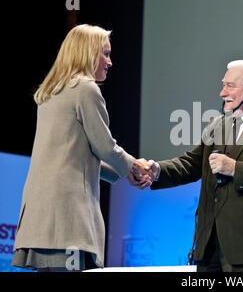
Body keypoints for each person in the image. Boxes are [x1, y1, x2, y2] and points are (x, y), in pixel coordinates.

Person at [130, 60, 243, 272]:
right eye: (223, 85)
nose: (222, 93)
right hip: (209, 245)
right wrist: (156, 170)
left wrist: (234, 168)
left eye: (230, 86)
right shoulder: (217, 125)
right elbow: (191, 164)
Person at [11, 24, 151, 272]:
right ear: (86, 53)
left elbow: (75, 155)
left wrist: (123, 172)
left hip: (42, 217)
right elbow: (105, 147)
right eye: (105, 54)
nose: (110, 62)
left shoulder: (52, 92)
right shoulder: (86, 89)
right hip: (68, 218)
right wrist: (134, 165)